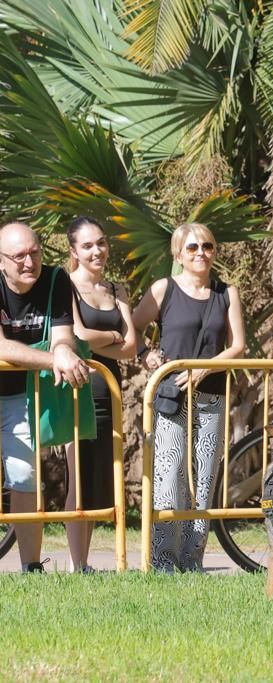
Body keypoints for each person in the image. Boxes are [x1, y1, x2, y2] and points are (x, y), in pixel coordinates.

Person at [132, 223, 245, 572]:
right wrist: (145, 355)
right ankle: (164, 559)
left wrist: (204, 370)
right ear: (178, 254)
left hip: (211, 396)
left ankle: (192, 558)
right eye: (193, 247)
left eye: (207, 246)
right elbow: (133, 328)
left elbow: (238, 346)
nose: (201, 253)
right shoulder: (164, 289)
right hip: (172, 398)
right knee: (170, 475)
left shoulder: (227, 293)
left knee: (205, 477)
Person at [0, 222, 91, 573]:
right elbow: (3, 347)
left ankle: (31, 567)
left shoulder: (55, 279)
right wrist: (56, 359)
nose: (28, 261)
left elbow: (62, 336)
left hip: (19, 397)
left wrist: (65, 350)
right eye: (18, 255)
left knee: (24, 475)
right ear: (2, 261)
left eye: (34, 252)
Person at [63, 217, 137, 573]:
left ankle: (89, 562)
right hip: (79, 388)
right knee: (79, 475)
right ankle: (79, 563)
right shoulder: (66, 287)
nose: (97, 250)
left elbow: (133, 345)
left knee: (100, 476)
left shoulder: (117, 289)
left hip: (111, 388)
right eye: (88, 245)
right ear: (74, 251)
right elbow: (77, 336)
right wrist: (111, 338)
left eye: (102, 243)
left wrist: (103, 340)